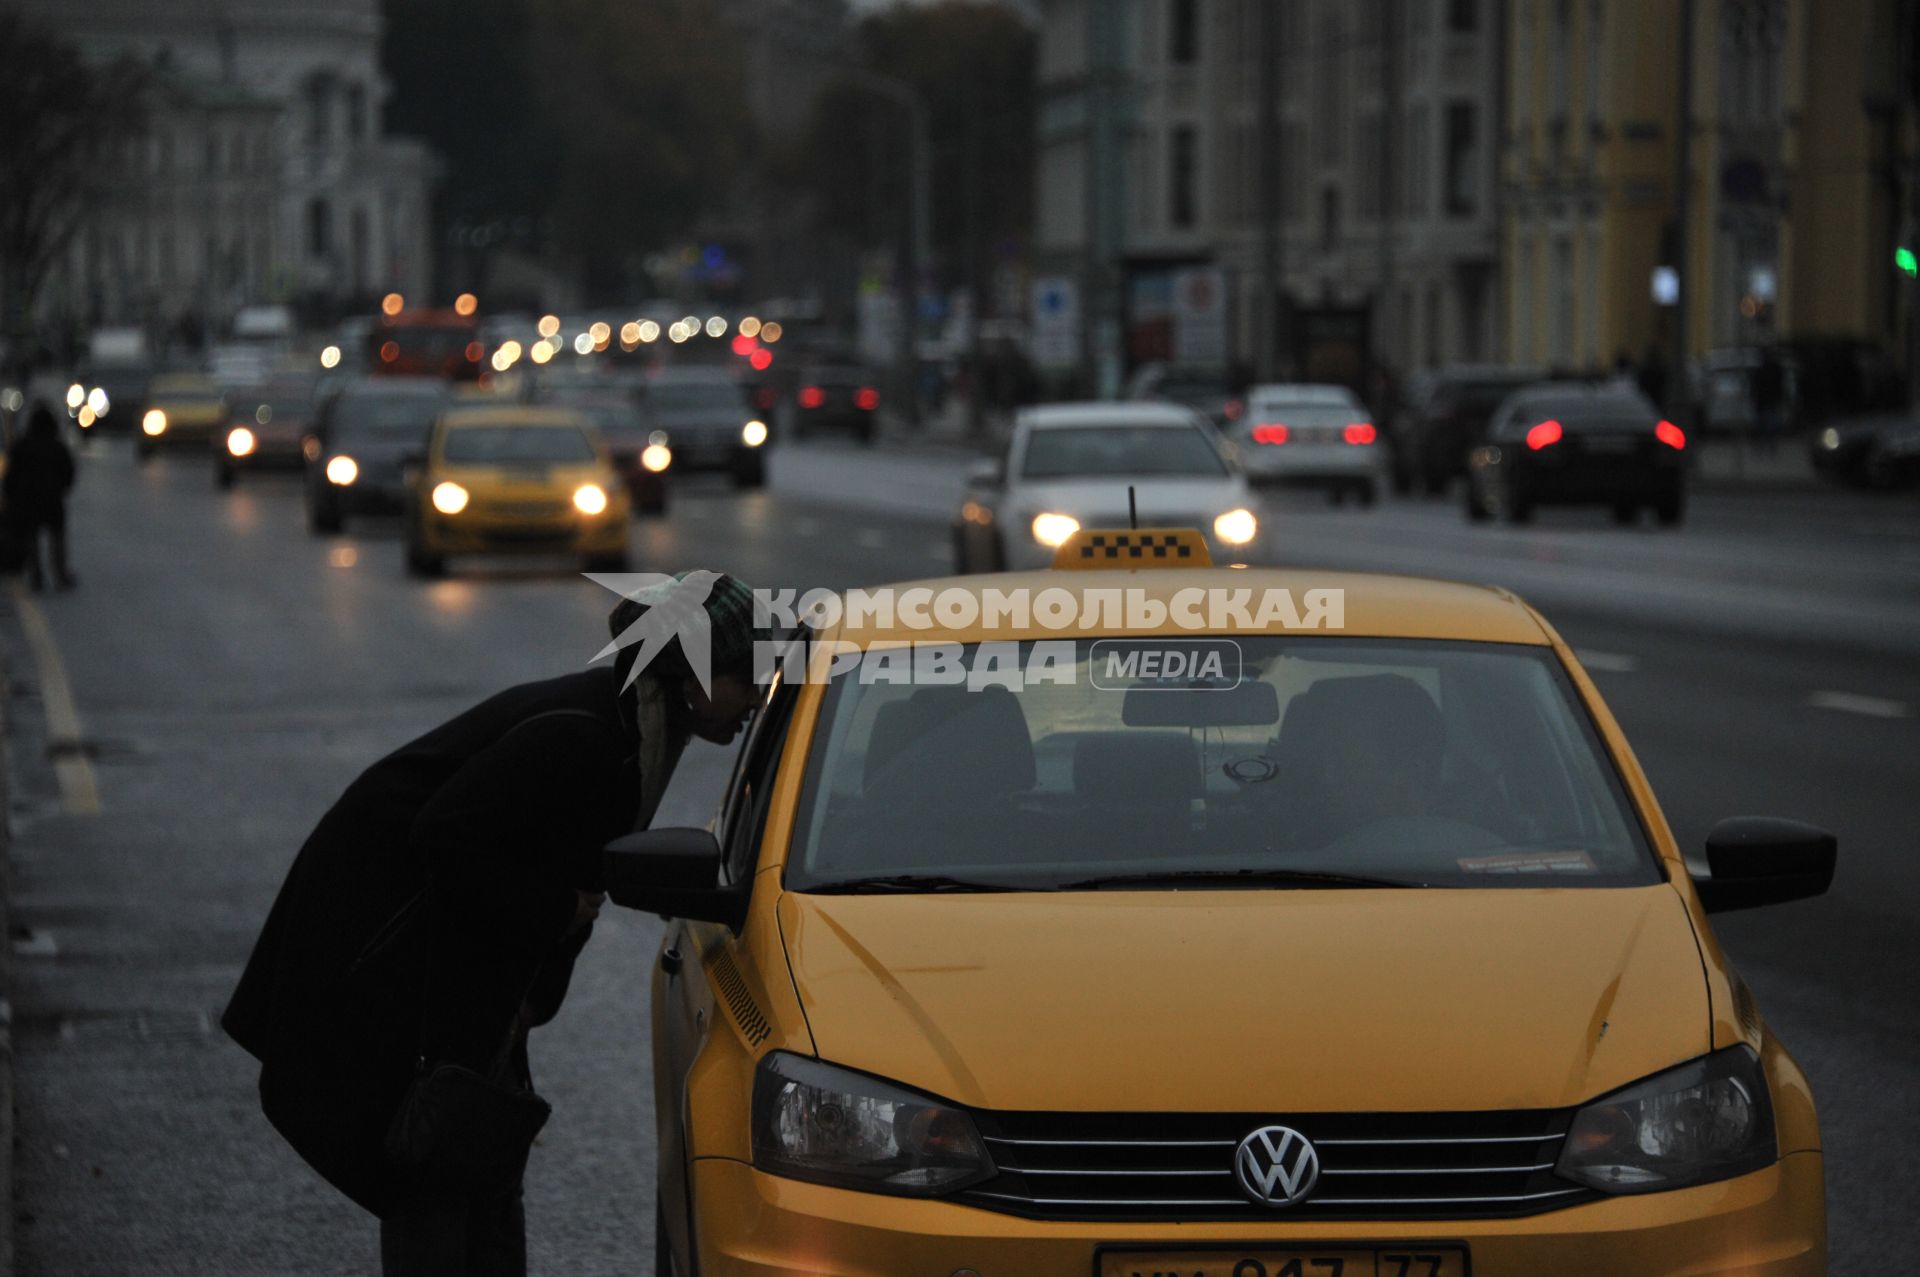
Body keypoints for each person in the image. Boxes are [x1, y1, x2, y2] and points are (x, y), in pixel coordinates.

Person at [223, 571, 765, 1275]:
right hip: (397, 960)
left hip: (465, 966)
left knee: (478, 1161)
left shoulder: (636, 729)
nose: (754, 699)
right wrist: (555, 909)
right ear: (688, 672)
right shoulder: (589, 736)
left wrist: (530, 995)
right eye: (743, 678)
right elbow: (445, 835)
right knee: (437, 1172)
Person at [3, 405, 78, 590]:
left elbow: (10, 476)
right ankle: (60, 575)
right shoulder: (58, 447)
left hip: (28, 501)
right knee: (57, 539)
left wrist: (11, 498)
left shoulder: (21, 446)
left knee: (32, 539)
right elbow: (68, 473)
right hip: (53, 500)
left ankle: (36, 575)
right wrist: (60, 488)